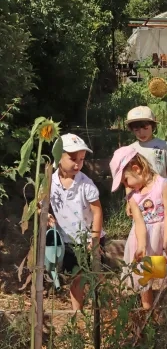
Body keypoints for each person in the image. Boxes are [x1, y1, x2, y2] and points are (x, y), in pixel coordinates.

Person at [109, 145, 167, 310]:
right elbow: (139, 222)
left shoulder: (164, 185)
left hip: (165, 232)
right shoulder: (133, 196)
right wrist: (142, 245)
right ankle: (147, 310)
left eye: (126, 180)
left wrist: (166, 240)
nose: (126, 185)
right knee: (145, 273)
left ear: (137, 169)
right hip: (145, 236)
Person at [48, 133, 104, 311]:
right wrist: (47, 216)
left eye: (81, 159)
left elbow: (97, 210)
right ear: (58, 156)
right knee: (76, 279)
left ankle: (98, 313)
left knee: (95, 276)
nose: (77, 163)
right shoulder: (49, 182)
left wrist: (94, 239)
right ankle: (77, 313)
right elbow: (42, 205)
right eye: (72, 158)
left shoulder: (86, 184)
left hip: (88, 240)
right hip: (67, 241)